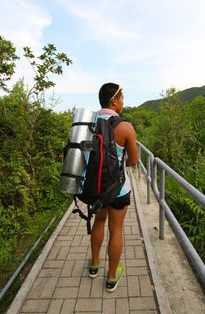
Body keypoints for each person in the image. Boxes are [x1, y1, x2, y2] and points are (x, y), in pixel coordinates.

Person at [89, 82, 138, 292]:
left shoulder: (88, 122)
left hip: (95, 186)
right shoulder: (125, 127)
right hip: (117, 189)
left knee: (99, 222)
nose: (123, 102)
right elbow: (133, 162)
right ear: (114, 100)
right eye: (122, 98)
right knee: (115, 230)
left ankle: (94, 265)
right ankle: (111, 278)